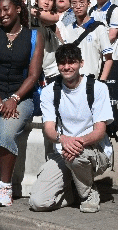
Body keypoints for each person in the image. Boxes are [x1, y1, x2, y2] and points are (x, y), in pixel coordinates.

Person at [0, 0, 44, 207]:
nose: (2, 14)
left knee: (6, 134)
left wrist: (14, 98)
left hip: (21, 95)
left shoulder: (34, 36)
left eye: (6, 9)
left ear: (18, 9)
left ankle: (6, 187)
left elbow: (33, 75)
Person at [29, 44, 113, 213]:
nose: (66, 67)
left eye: (71, 62)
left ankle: (88, 193)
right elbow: (49, 129)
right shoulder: (49, 91)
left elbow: (99, 131)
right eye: (62, 63)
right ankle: (73, 191)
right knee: (38, 203)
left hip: (93, 149)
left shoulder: (98, 88)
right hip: (64, 151)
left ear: (81, 63)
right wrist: (64, 140)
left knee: (76, 156)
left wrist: (75, 143)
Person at [62, 0, 113, 81]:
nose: (78, 6)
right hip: (71, 81)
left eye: (82, 3)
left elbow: (108, 58)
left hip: (91, 80)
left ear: (88, 4)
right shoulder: (68, 29)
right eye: (74, 3)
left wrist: (102, 81)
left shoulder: (99, 28)